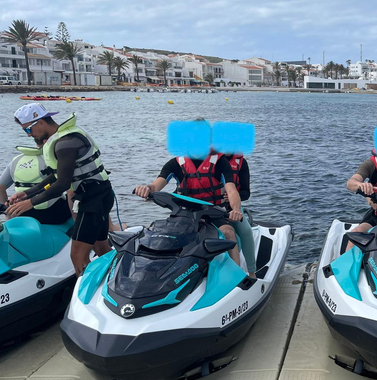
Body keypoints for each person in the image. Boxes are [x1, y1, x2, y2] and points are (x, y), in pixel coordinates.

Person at [7, 103, 113, 275]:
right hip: (101, 194)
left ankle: (86, 297)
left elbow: (63, 184)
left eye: (28, 130)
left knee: (78, 257)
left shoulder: (65, 143)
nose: (29, 135)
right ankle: (121, 278)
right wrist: (27, 192)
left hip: (92, 200)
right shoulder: (63, 138)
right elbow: (56, 176)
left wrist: (30, 203)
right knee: (101, 247)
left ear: (40, 122)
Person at [134, 150, 248, 275]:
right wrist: (146, 188)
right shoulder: (175, 164)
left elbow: (231, 190)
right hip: (184, 214)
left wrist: (236, 210)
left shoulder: (220, 162)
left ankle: (237, 277)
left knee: (229, 232)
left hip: (213, 213)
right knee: (158, 232)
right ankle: (153, 271)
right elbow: (155, 186)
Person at [0, 141, 72, 225]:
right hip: (54, 215)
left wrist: (9, 210)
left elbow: (1, 187)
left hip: (22, 213)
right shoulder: (54, 159)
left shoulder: (16, 160)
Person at [218, 152, 258, 278]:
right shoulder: (212, 161)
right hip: (213, 207)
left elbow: (246, 192)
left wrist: (235, 197)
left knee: (245, 231)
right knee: (231, 236)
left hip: (232, 208)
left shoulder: (241, 163)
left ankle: (252, 272)